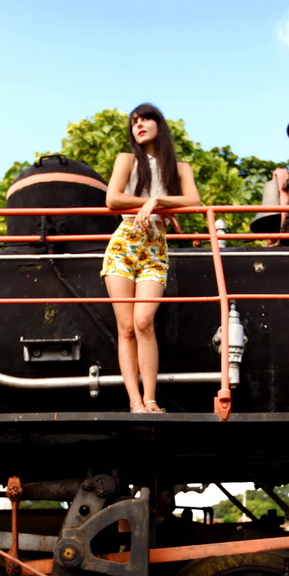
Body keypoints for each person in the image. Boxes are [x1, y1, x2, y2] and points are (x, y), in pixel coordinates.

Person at [102, 104, 200, 413]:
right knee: (127, 326)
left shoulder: (180, 168)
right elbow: (112, 199)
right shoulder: (127, 160)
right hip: (124, 244)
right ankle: (135, 401)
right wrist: (152, 204)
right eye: (133, 122)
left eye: (145, 119)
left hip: (155, 247)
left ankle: (151, 398)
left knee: (145, 321)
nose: (139, 125)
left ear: (160, 124)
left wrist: (157, 201)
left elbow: (194, 202)